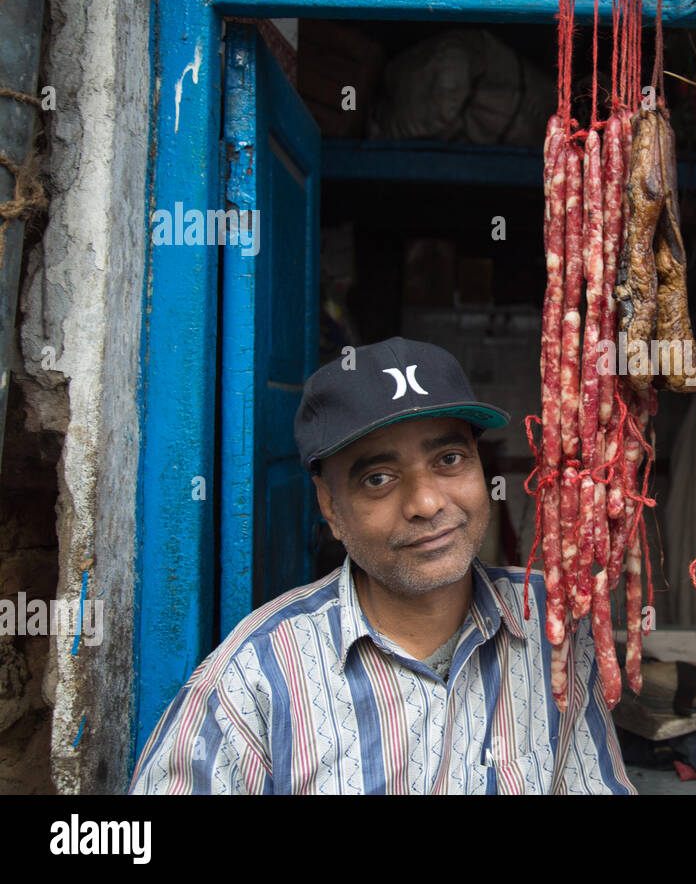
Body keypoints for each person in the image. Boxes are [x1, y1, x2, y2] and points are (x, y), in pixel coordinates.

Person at [130, 337, 636, 794]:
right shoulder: (255, 679)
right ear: (329, 505)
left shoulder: (555, 624)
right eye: (378, 478)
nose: (426, 503)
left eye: (449, 460)